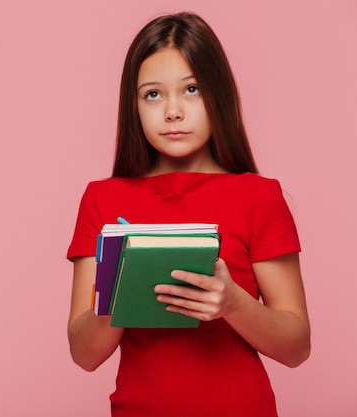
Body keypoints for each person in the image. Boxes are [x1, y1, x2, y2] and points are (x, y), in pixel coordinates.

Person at [66, 12, 310, 417]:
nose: (173, 111)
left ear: (219, 94)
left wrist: (233, 304)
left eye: (191, 89)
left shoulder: (259, 197)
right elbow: (84, 354)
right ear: (134, 105)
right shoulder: (102, 200)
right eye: (153, 94)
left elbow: (296, 347)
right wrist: (119, 292)